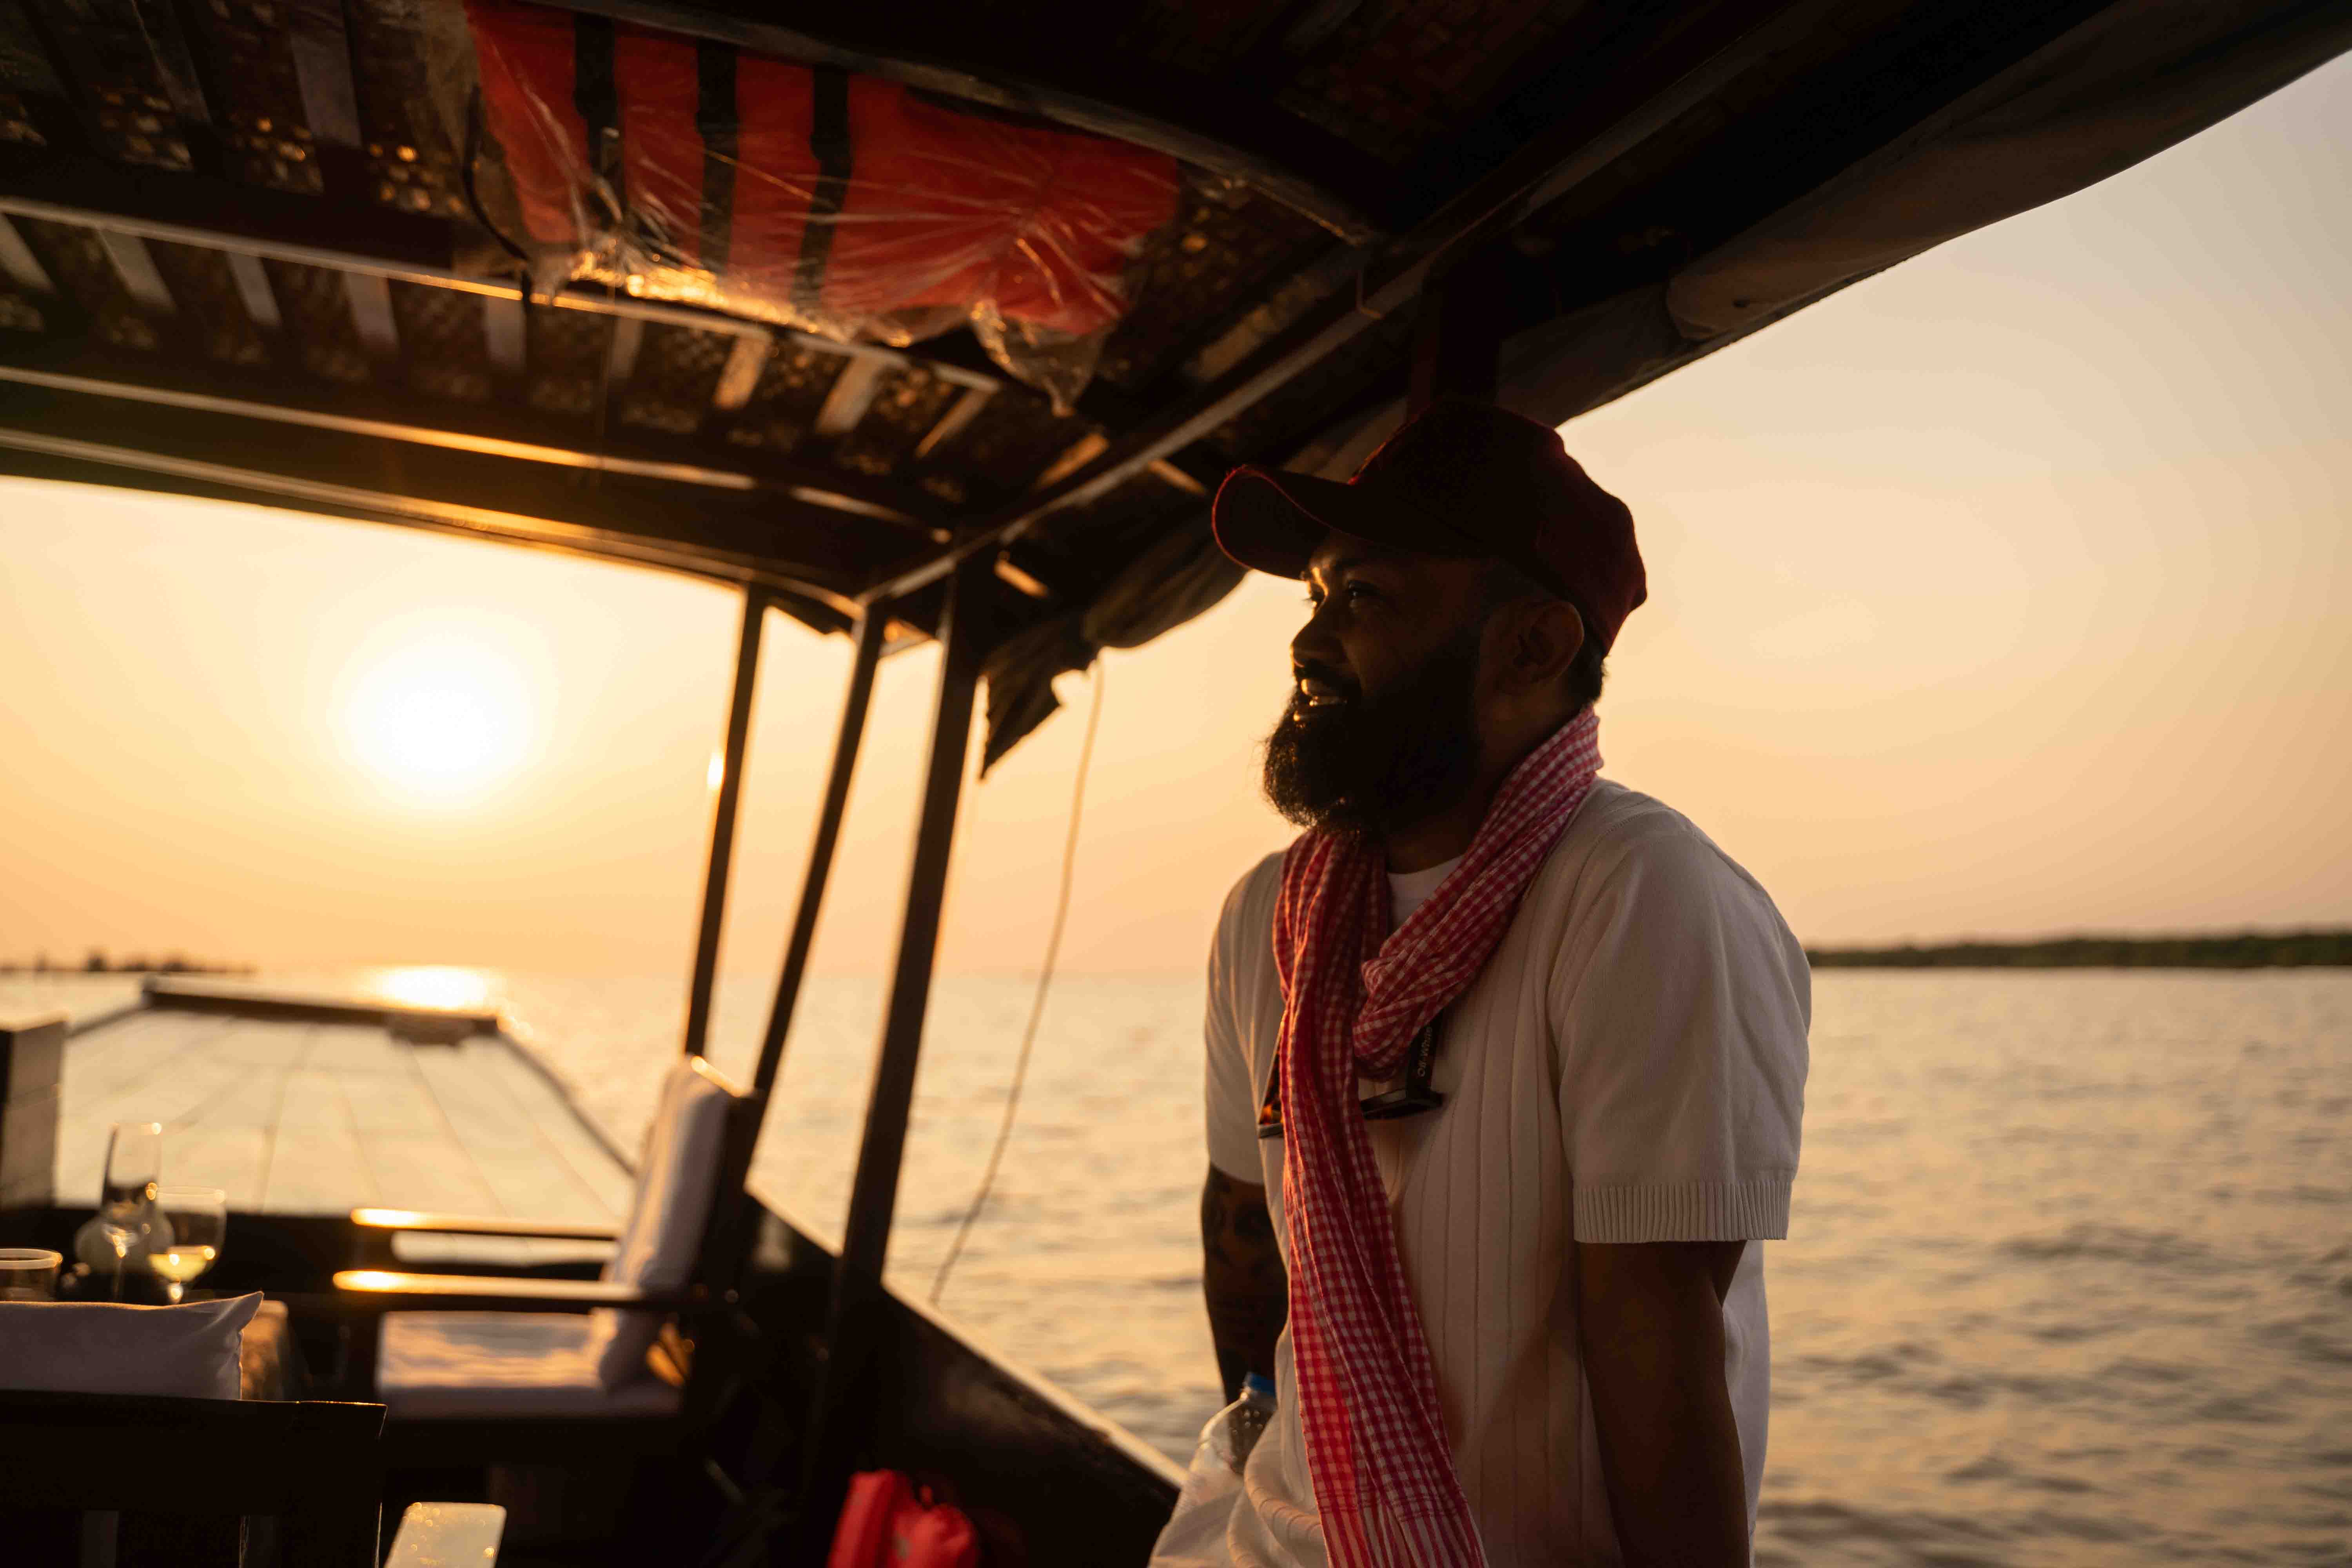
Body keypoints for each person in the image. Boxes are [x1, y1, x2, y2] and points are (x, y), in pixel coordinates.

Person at [1189, 399, 1810, 1568]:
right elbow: (1241, 1239)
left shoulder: (1642, 896)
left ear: (1530, 646)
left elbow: (1658, 1341)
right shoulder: (1266, 919)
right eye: (1315, 599)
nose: (1310, 643)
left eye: (1363, 598)